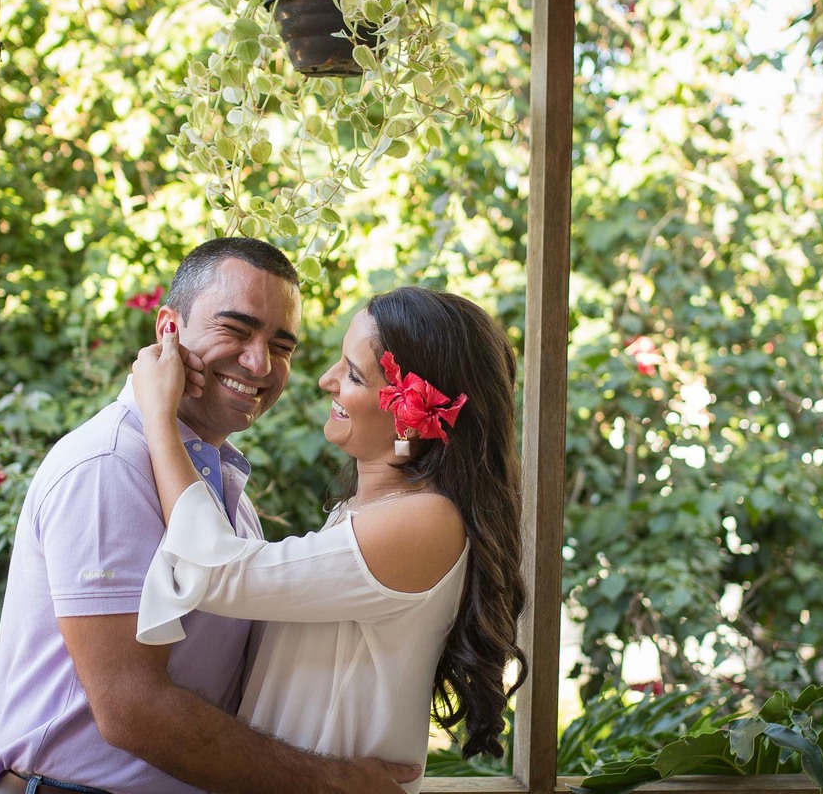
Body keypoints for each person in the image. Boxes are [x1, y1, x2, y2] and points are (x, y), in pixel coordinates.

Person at [0, 237, 420, 794]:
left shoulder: (222, 485)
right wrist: (331, 783)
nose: (260, 364)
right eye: (235, 330)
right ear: (168, 329)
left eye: (280, 345)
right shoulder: (109, 465)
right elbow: (132, 709)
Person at [131, 286, 529, 793]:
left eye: (354, 374)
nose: (327, 381)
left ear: (412, 410)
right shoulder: (365, 512)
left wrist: (158, 417)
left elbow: (215, 572)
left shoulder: (424, 522)